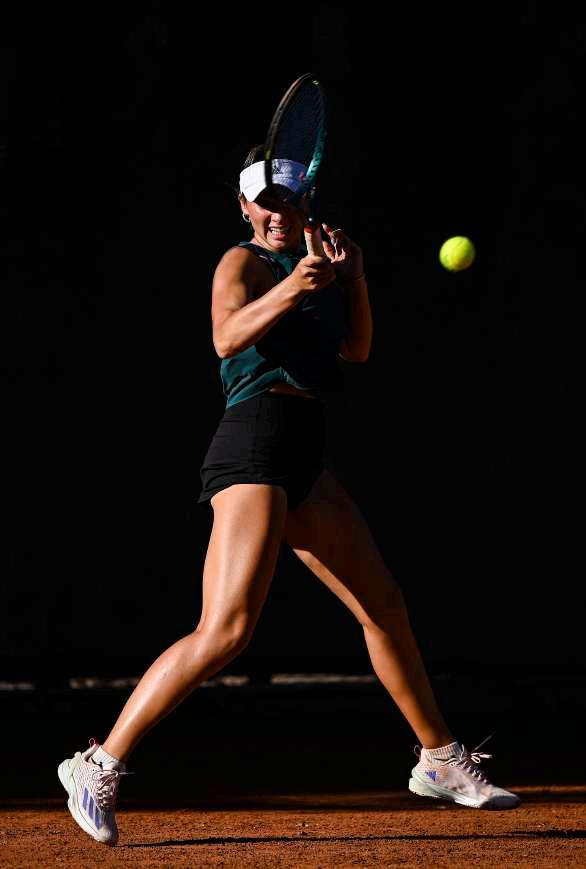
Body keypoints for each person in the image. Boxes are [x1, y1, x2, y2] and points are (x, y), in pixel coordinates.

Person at [57, 145, 520, 846]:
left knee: (383, 606)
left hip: (303, 449)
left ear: (307, 203)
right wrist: (293, 288)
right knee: (227, 629)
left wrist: (351, 279)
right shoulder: (240, 263)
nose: (279, 212)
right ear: (244, 207)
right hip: (253, 444)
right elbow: (226, 338)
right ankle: (98, 764)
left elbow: (356, 350)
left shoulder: (319, 262)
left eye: (290, 199)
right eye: (265, 201)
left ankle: (438, 758)